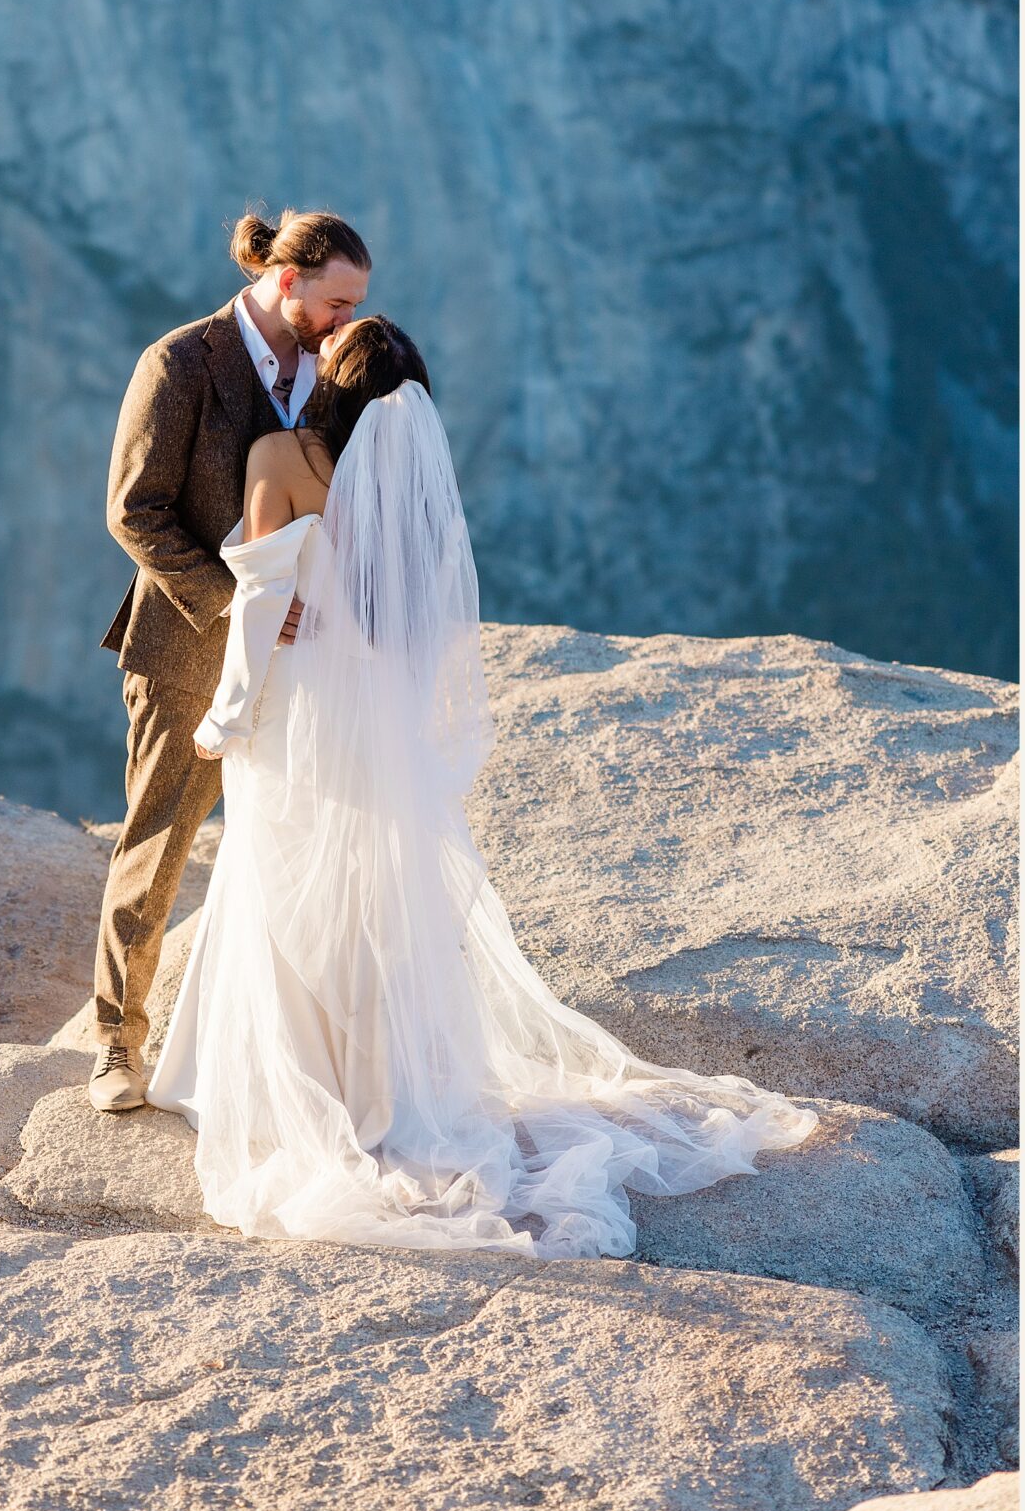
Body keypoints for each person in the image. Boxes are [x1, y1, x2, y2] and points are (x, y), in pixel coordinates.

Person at [148, 315, 820, 1254]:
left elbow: (262, 606)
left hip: (298, 710)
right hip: (374, 707)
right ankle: (384, 1091)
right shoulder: (405, 481)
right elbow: (418, 626)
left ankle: (276, 1082)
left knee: (280, 882)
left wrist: (225, 718)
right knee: (371, 898)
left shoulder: (279, 456)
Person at [88, 207, 372, 1113]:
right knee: (157, 850)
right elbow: (134, 513)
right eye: (335, 301)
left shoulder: (335, 363)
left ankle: (302, 1058)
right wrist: (242, 603)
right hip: (184, 652)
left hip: (308, 666)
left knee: (307, 848)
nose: (345, 320)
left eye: (355, 305)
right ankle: (115, 1047)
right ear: (285, 280)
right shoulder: (179, 362)